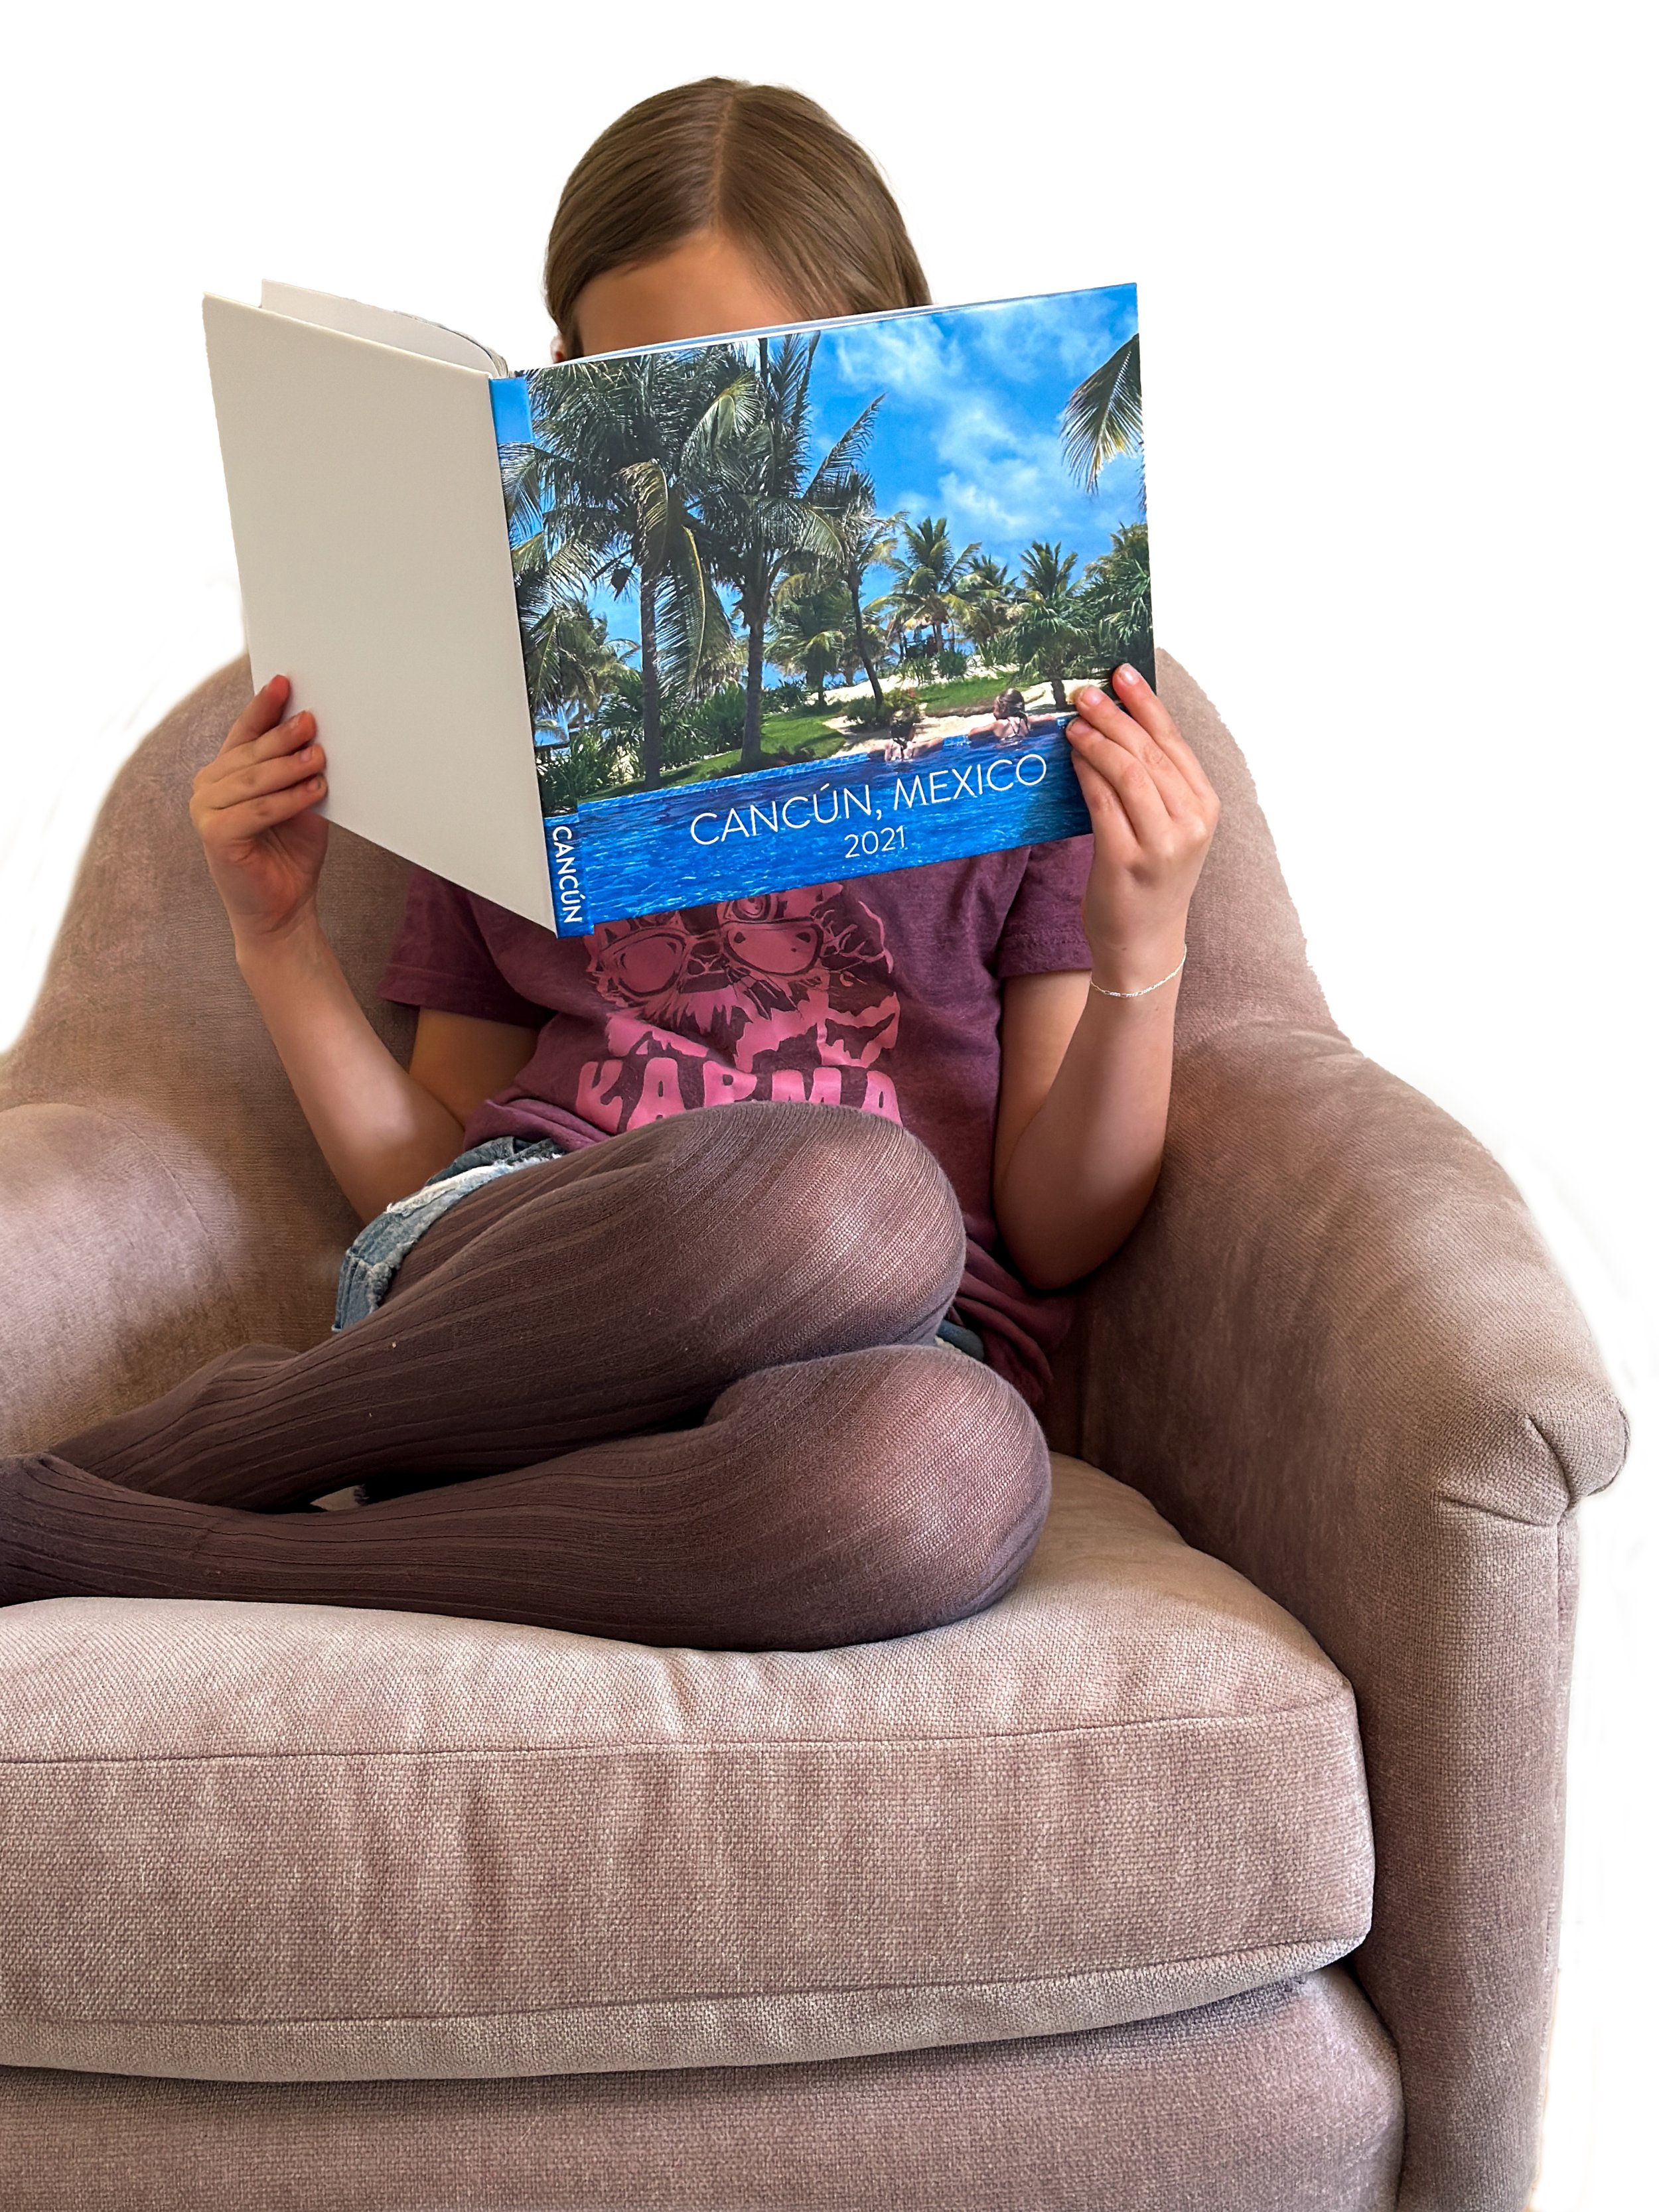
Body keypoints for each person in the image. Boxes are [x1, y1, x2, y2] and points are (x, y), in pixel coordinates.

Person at [0, 79, 1218, 1651]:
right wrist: (276, 938)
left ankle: (157, 1524)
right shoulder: (519, 708)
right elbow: (422, 1163)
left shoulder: (1044, 741)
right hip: (527, 1290)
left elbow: (1053, 1233)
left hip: (883, 1342)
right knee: (835, 1190)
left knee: (947, 1463)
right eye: (653, 394)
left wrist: (1143, 942)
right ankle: (260, 1437)